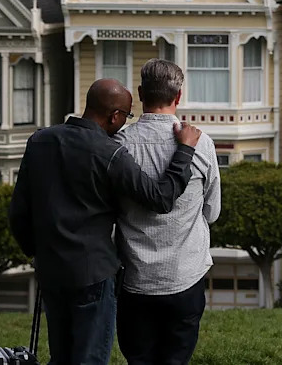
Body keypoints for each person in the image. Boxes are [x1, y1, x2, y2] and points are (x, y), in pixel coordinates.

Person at [9, 78, 201, 365]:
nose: (125, 123)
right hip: (93, 273)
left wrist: (37, 253)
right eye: (126, 116)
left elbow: (18, 212)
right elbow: (161, 198)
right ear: (115, 116)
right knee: (90, 358)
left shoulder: (40, 140)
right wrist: (185, 149)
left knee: (61, 356)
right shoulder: (108, 153)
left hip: (51, 271)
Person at [115, 59, 221, 365]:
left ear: (140, 93)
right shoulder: (202, 145)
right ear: (178, 97)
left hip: (136, 279)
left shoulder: (119, 145)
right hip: (184, 278)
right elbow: (212, 211)